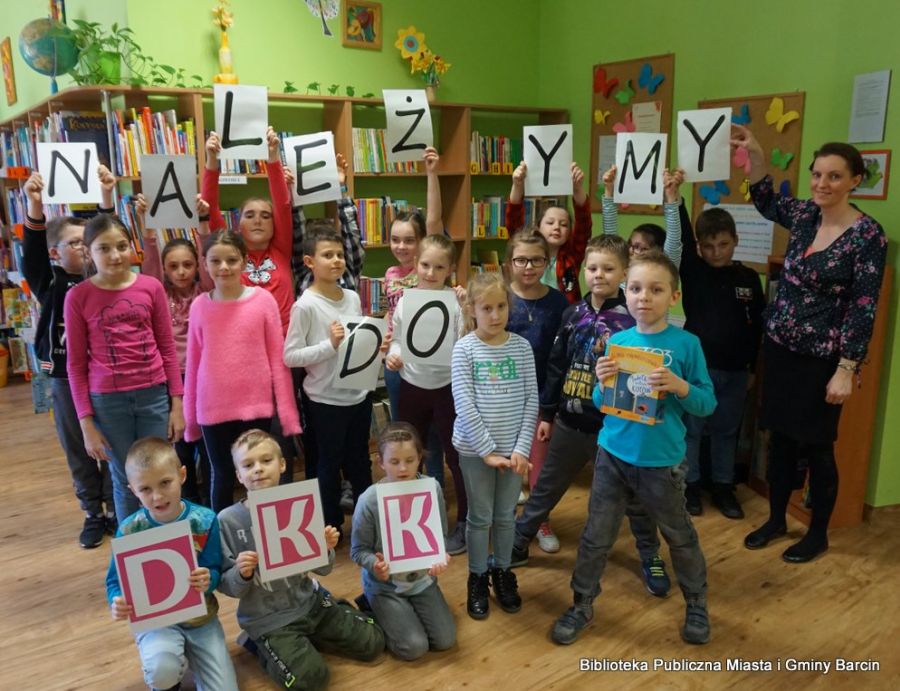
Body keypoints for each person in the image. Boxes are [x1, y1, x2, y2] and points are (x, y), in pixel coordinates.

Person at [732, 126, 888, 562]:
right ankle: (777, 518)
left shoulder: (866, 237)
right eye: (817, 175)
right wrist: (757, 154)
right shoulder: (803, 214)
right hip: (781, 347)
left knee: (818, 446)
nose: (822, 184)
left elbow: (863, 305)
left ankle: (817, 532)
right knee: (780, 439)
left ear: (856, 180)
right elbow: (765, 201)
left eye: (834, 177)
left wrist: (847, 367)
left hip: (823, 360)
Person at [551, 252, 716, 646]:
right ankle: (582, 603)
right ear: (627, 293)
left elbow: (706, 403)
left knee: (679, 535)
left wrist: (679, 387)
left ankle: (696, 602)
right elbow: (603, 401)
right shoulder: (619, 342)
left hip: (662, 462)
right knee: (596, 536)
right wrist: (600, 381)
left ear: (673, 297)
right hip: (613, 456)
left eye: (656, 290)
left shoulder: (687, 344)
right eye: (637, 289)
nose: (644, 298)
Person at [512, 235, 670, 597]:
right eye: (593, 268)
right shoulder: (572, 314)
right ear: (583, 270)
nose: (599, 275)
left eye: (609, 269)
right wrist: (547, 414)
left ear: (624, 274)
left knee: (634, 497)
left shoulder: (633, 320)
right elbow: (556, 366)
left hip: (615, 429)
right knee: (547, 484)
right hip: (570, 420)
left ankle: (651, 555)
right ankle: (520, 540)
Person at [218, 429, 384, 689]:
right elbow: (226, 585)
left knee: (374, 642)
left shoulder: (299, 504)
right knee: (310, 680)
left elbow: (324, 568)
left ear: (282, 464)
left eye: (266, 460)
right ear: (239, 475)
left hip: (311, 604)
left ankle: (313, 634)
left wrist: (325, 547)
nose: (258, 470)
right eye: (248, 465)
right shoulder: (228, 521)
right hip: (269, 620)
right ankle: (260, 644)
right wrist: (241, 573)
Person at [64, 214, 184, 524]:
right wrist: (86, 424)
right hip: (108, 402)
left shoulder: (151, 287)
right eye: (104, 248)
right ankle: (135, 554)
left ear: (132, 247)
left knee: (161, 473)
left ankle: (169, 544)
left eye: (121, 246)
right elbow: (75, 365)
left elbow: (167, 348)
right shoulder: (78, 296)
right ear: (89, 253)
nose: (115, 255)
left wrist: (177, 404)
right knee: (125, 479)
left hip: (153, 397)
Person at [21, 167, 116, 547]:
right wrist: (34, 205)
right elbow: (31, 255)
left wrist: (106, 200)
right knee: (77, 446)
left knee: (109, 443)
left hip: (103, 375)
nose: (82, 247)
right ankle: (92, 512)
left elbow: (108, 238)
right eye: (74, 243)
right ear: (56, 252)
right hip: (63, 377)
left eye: (84, 242)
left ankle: (113, 505)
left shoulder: (101, 280)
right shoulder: (50, 281)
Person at [106, 437, 238, 691]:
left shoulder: (205, 520)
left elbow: (215, 569)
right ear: (132, 490)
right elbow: (115, 580)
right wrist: (117, 599)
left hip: (201, 620)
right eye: (145, 489)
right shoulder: (130, 530)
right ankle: (166, 680)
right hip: (156, 622)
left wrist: (208, 578)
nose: (157, 496)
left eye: (165, 483)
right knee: (161, 669)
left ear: (182, 475)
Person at [183, 231, 300, 512]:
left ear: (245, 262)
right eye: (216, 261)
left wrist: (287, 414)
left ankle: (271, 537)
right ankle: (221, 541)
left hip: (256, 407)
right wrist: (190, 418)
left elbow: (277, 359)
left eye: (232, 260)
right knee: (221, 475)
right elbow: (194, 363)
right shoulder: (200, 305)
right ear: (205, 263)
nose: (224, 267)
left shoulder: (262, 301)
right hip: (213, 409)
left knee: (263, 478)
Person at [451, 272, 538, 620]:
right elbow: (464, 402)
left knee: (506, 516)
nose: (495, 314)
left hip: (513, 453)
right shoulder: (464, 348)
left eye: (501, 306)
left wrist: (520, 449)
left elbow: (532, 399)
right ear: (472, 309)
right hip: (476, 453)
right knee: (480, 517)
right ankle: (477, 576)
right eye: (486, 308)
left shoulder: (521, 347)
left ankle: (502, 571)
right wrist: (487, 450)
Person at [283, 227, 373, 538]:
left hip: (357, 397)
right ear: (309, 261)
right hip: (324, 401)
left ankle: (366, 526)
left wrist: (374, 345)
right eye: (327, 255)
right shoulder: (305, 305)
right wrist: (328, 346)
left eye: (339, 254)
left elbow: (355, 343)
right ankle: (329, 528)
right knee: (327, 466)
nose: (336, 260)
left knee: (360, 463)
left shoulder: (351, 297)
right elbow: (291, 355)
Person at [679, 205, 765, 518]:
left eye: (724, 245)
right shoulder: (694, 271)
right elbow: (684, 238)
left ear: (736, 241)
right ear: (700, 247)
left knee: (726, 431)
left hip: (736, 372)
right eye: (709, 246)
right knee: (692, 430)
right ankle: (690, 485)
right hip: (698, 371)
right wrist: (675, 199)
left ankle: (723, 486)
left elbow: (757, 328)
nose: (716, 253)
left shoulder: (749, 278)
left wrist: (753, 369)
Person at [386, 234, 467, 554]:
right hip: (412, 385)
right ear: (415, 264)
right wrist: (393, 353)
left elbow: (465, 339)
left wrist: (466, 307)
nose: (430, 272)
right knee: (409, 454)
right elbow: (397, 338)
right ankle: (409, 518)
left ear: (450, 269)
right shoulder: (406, 300)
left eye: (439, 267)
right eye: (424, 265)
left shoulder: (456, 302)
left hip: (447, 387)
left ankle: (464, 520)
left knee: (456, 455)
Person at [350, 422, 456, 660]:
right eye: (394, 462)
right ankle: (372, 604)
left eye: (410, 460)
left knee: (445, 640)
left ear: (420, 457)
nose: (402, 468)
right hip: (385, 584)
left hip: (421, 580)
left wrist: (440, 555)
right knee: (414, 647)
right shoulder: (369, 500)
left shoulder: (432, 488)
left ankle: (403, 612)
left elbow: (440, 535)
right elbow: (358, 550)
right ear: (381, 462)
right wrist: (374, 565)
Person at [138, 193, 214, 505]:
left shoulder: (205, 292)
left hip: (203, 376)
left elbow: (211, 262)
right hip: (172, 379)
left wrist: (204, 225)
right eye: (173, 266)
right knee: (180, 446)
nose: (181, 271)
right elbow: (150, 268)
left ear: (197, 265)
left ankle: (208, 502)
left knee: (207, 445)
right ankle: (189, 500)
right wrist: (147, 230)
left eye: (187, 265)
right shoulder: (158, 292)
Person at [380, 147, 445, 490]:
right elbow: (390, 317)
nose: (402, 246)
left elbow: (434, 224)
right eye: (395, 239)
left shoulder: (428, 270)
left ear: (422, 244)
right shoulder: (390, 273)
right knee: (403, 435)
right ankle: (407, 492)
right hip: (397, 364)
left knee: (432, 439)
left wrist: (431, 174)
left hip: (431, 365)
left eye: (410, 240)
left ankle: (431, 493)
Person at [503, 228, 569, 552]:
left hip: (542, 398)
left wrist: (550, 407)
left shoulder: (558, 302)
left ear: (547, 261)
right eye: (521, 260)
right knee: (505, 468)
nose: (528, 267)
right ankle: (504, 524)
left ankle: (538, 521)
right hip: (502, 397)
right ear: (509, 262)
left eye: (536, 260)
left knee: (540, 467)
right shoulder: (499, 297)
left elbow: (561, 357)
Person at [202, 127, 294, 331]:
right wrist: (211, 159)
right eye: (250, 215)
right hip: (243, 337)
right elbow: (209, 207)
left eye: (265, 216)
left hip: (284, 342)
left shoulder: (280, 249)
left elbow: (282, 204)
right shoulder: (231, 253)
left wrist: (272, 157)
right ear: (238, 224)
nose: (258, 221)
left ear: (274, 224)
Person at [504, 161, 591, 303]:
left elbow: (584, 225)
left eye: (564, 224)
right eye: (550, 223)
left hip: (565, 316)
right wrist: (517, 186)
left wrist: (577, 190)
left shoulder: (572, 255)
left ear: (569, 232)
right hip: (531, 308)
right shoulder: (527, 250)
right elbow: (513, 223)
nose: (556, 227)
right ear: (538, 227)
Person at [601, 164, 684, 265]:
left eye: (639, 247)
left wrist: (670, 196)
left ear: (659, 252)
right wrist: (609, 189)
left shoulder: (665, 269)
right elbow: (611, 240)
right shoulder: (621, 273)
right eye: (629, 244)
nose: (631, 251)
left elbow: (673, 239)